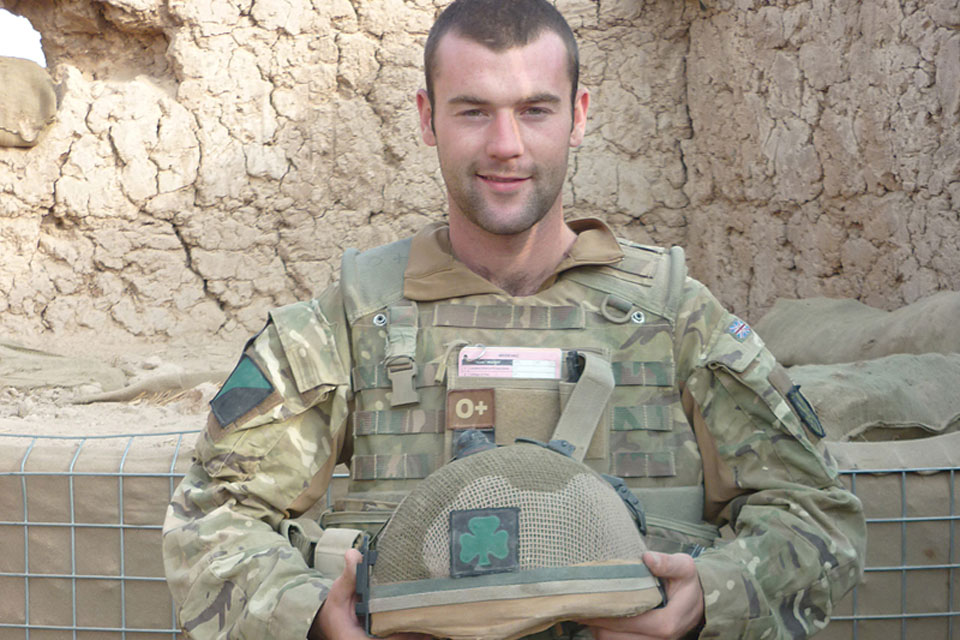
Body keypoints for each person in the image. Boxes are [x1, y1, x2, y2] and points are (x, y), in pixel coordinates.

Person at [162, 1, 866, 639]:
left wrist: (711, 595)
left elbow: (816, 512)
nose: (506, 144)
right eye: (473, 111)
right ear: (426, 116)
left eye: (535, 110)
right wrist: (313, 614)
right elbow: (215, 517)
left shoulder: (674, 315)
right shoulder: (353, 320)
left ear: (579, 114)